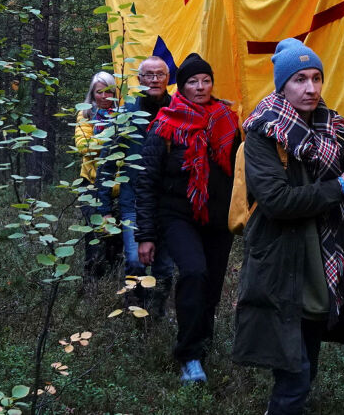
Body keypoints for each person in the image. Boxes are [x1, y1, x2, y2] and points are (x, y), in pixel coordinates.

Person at [232, 38, 344, 415]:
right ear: (283, 85)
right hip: (282, 258)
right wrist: (337, 187)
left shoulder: (335, 129)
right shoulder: (264, 133)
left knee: (306, 364)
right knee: (293, 372)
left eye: (316, 78)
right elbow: (277, 201)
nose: (311, 88)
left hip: (324, 259)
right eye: (300, 79)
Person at [135, 53, 240, 383]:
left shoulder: (227, 118)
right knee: (194, 273)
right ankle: (189, 356)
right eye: (193, 81)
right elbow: (147, 181)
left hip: (218, 219)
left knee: (210, 287)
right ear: (181, 86)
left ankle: (202, 348)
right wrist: (146, 235)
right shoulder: (165, 124)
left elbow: (241, 170)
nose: (200, 86)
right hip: (177, 216)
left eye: (206, 80)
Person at [93, 55, 175, 314]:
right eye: (148, 75)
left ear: (167, 78)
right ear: (139, 80)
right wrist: (104, 209)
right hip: (134, 203)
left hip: (169, 204)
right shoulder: (125, 115)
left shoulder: (178, 111)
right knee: (134, 261)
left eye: (159, 74)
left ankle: (157, 317)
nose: (154, 79)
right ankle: (135, 310)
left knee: (163, 268)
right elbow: (106, 164)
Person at [75, 71, 120, 280]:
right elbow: (83, 146)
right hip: (90, 185)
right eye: (99, 92)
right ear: (92, 94)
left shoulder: (123, 114)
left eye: (108, 91)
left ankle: (110, 287)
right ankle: (91, 284)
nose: (104, 96)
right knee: (96, 234)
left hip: (118, 187)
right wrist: (113, 138)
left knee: (115, 239)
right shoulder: (85, 114)